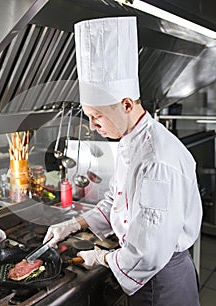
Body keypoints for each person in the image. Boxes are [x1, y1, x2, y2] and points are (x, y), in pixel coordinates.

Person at [43, 17, 202, 305]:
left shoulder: (156, 161)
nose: (92, 126)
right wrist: (75, 224)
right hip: (147, 273)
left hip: (160, 280)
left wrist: (101, 256)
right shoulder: (132, 140)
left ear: (126, 104)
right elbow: (117, 202)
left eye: (97, 116)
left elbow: (146, 253)